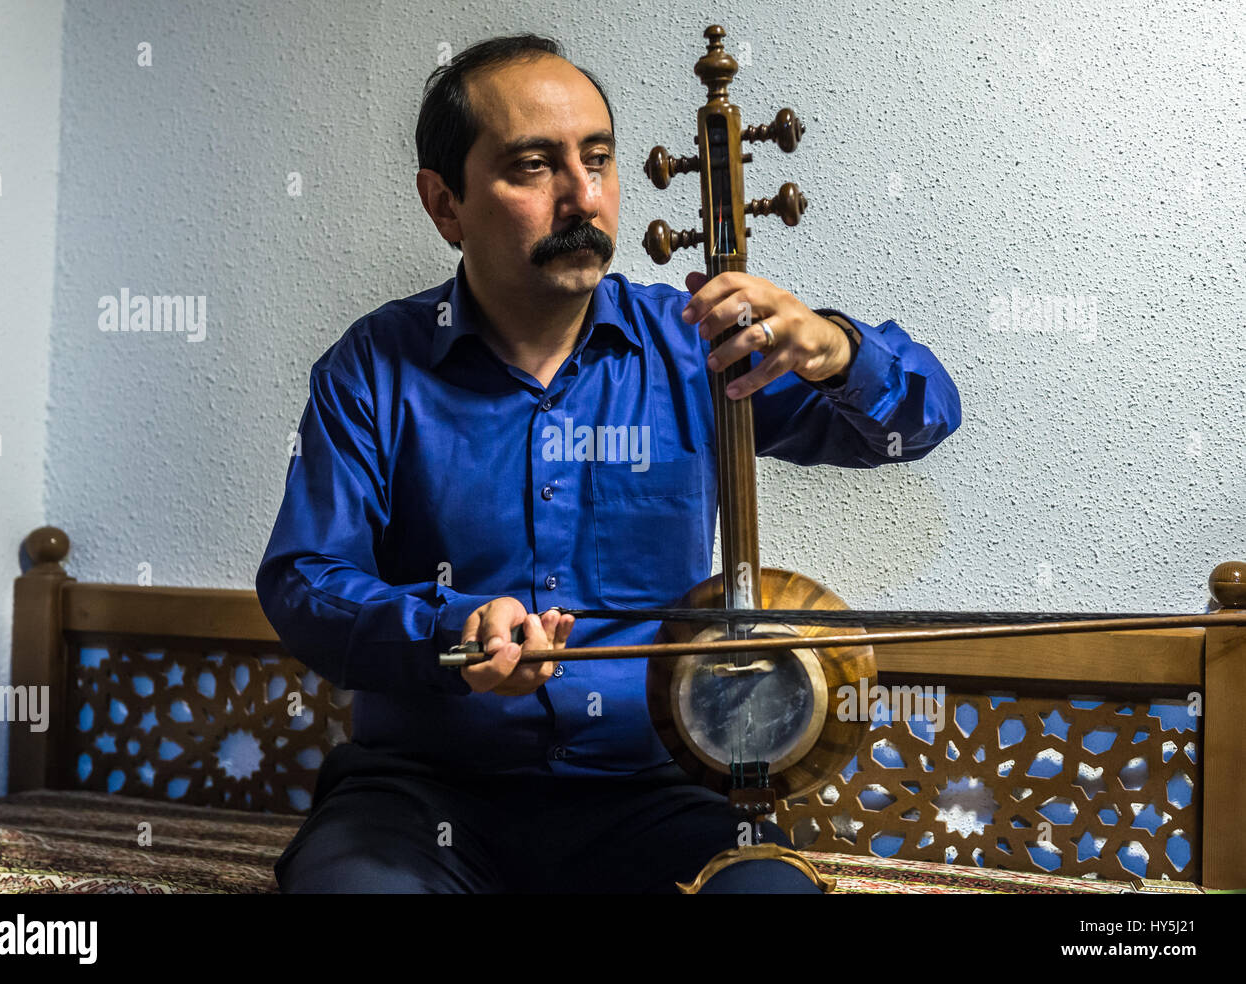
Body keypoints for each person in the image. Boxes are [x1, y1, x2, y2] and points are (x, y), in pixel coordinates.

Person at [255, 33, 961, 893]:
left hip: (658, 790)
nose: (583, 197)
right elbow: (304, 581)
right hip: (423, 801)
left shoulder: (697, 348)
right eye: (532, 167)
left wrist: (838, 350)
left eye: (598, 159)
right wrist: (449, 631)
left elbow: (919, 421)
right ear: (446, 203)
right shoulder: (373, 367)